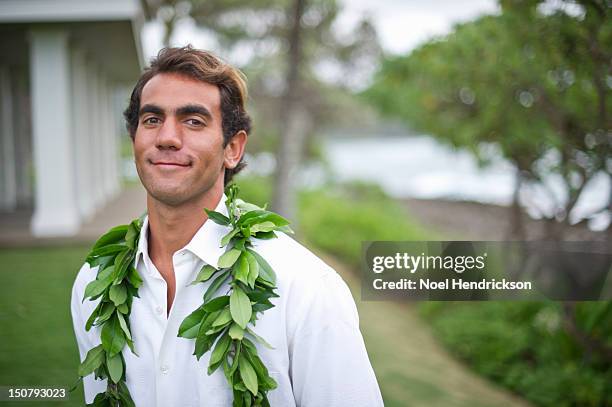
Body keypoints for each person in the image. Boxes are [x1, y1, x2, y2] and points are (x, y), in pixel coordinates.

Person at [71, 45, 383, 406]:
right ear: (135, 139)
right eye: (152, 119)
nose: (167, 137)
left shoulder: (304, 287)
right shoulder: (92, 286)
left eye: (193, 121)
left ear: (232, 149)